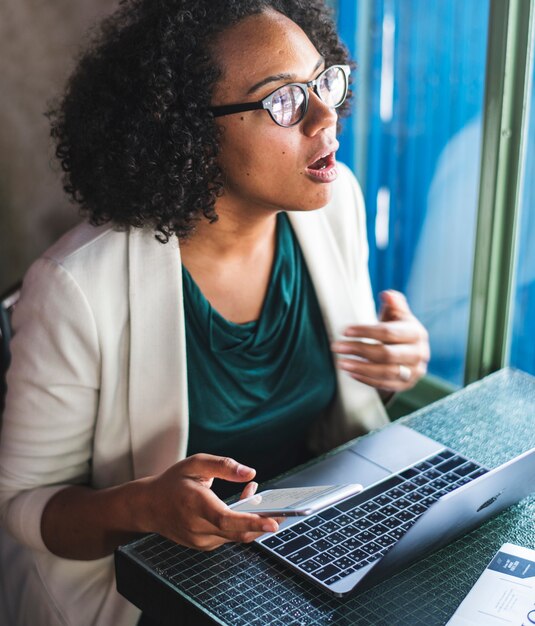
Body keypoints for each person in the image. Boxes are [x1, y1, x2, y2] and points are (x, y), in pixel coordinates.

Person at [0, 0, 430, 624]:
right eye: (283, 101)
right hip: (148, 591)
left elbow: (340, 417)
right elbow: (22, 507)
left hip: (302, 551)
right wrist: (141, 508)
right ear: (188, 134)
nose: (325, 115)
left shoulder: (334, 205)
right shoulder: (75, 289)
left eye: (324, 82)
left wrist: (392, 366)